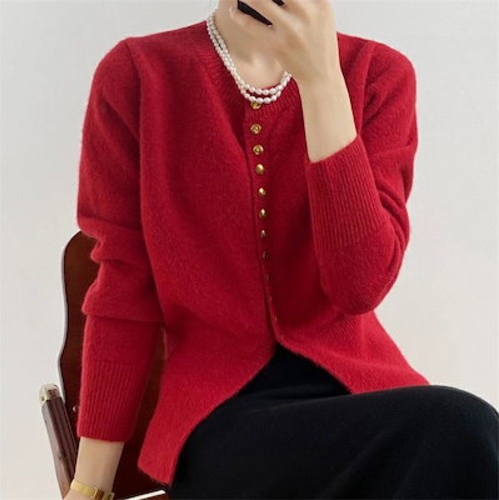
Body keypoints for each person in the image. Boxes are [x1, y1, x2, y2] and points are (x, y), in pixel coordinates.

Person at [66, 1, 499, 499]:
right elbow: (123, 292)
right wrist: (89, 487)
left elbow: (359, 286)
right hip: (220, 423)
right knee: (459, 430)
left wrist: (322, 82)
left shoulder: (378, 75)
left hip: (365, 402)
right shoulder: (139, 74)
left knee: (460, 435)